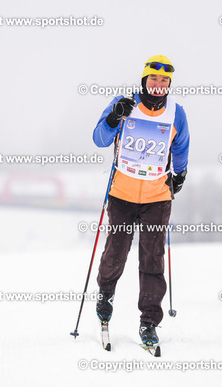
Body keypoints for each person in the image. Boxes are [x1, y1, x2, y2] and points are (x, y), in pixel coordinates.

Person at [92, 55, 190, 347]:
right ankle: (105, 294)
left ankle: (149, 321)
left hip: (157, 197)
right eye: (154, 78)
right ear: (145, 80)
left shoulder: (176, 113)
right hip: (122, 194)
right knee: (116, 252)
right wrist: (113, 118)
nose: (159, 84)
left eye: (164, 80)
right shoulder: (124, 104)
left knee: (152, 259)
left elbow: (181, 145)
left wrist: (180, 173)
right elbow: (99, 139)